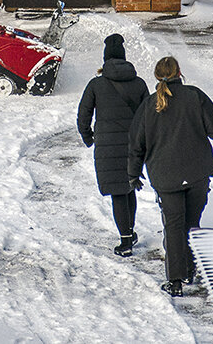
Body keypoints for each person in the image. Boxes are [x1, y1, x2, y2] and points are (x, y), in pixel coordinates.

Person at [128, 56, 213, 297]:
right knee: (191, 223)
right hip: (196, 173)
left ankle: (176, 280)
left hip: (166, 176)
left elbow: (137, 144)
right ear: (179, 72)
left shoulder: (149, 105)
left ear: (157, 76)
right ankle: (191, 269)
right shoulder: (194, 96)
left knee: (173, 227)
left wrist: (133, 173)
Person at [77, 34, 150, 257]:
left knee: (119, 192)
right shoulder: (138, 83)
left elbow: (83, 115)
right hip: (134, 145)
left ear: (105, 59)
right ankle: (129, 232)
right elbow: (149, 115)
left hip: (107, 146)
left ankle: (126, 240)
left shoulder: (96, 84)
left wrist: (89, 138)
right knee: (129, 187)